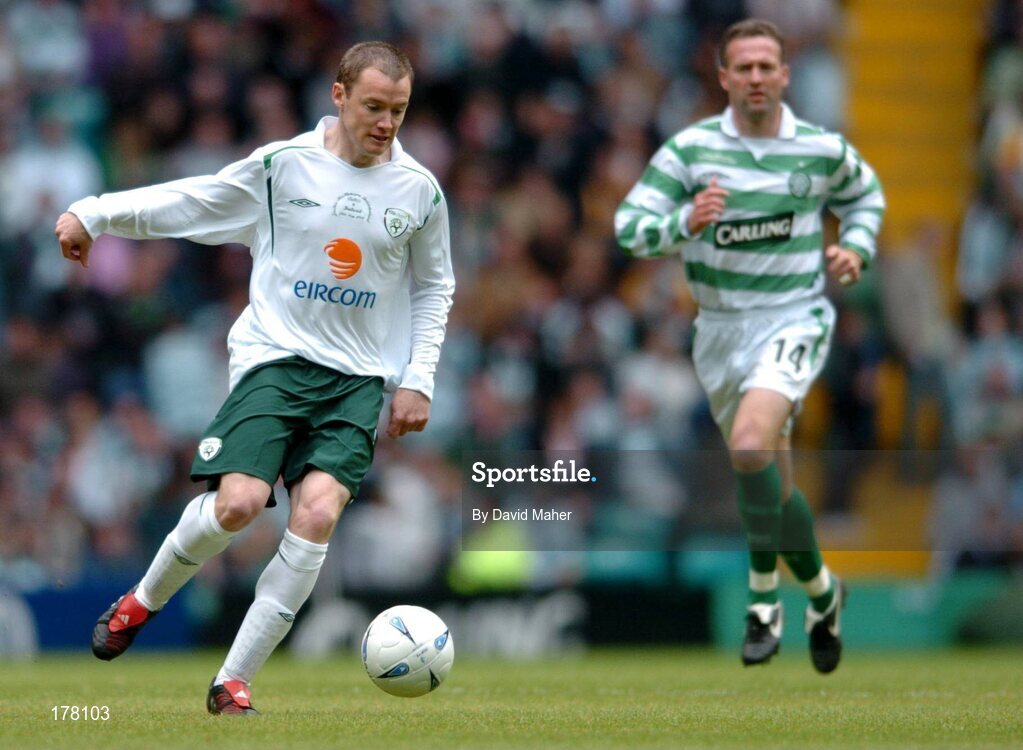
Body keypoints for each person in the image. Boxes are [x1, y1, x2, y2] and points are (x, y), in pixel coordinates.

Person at [54, 41, 455, 714]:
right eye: (374, 107)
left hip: (356, 379)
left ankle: (233, 680)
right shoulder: (283, 166)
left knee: (318, 512)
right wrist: (96, 212)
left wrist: (419, 379)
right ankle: (141, 601)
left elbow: (435, 285)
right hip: (275, 360)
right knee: (238, 504)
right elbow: (191, 202)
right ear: (338, 96)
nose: (387, 123)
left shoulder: (419, 190)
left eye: (399, 110)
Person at [614, 19, 884, 673]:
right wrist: (684, 221)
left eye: (768, 66)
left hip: (791, 316)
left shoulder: (818, 148)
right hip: (719, 329)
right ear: (725, 77)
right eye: (746, 67)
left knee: (748, 445)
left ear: (784, 76)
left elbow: (865, 196)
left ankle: (763, 601)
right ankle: (822, 591)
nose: (758, 77)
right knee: (763, 476)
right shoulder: (690, 150)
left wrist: (855, 248)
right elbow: (628, 226)